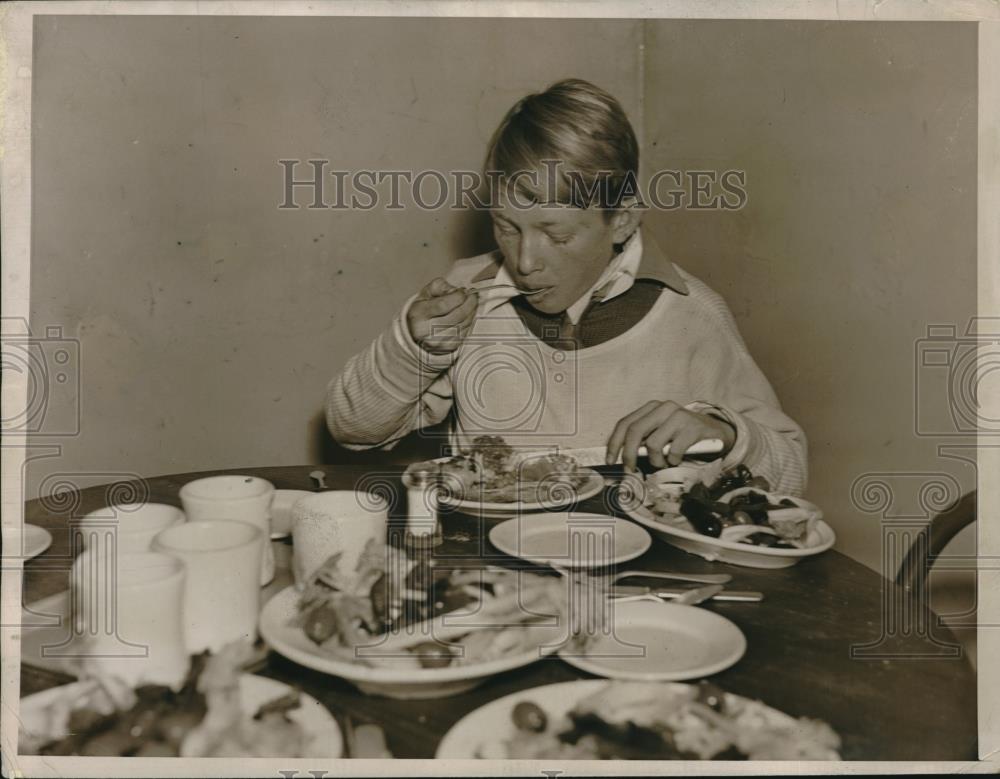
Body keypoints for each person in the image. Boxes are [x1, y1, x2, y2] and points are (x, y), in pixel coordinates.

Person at [326, 79, 807, 495]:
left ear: (620, 221)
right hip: (491, 575)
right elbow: (352, 430)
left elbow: (792, 473)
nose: (524, 262)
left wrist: (726, 433)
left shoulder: (690, 315)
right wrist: (411, 348)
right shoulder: (467, 294)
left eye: (556, 234)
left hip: (635, 586)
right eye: (506, 227)